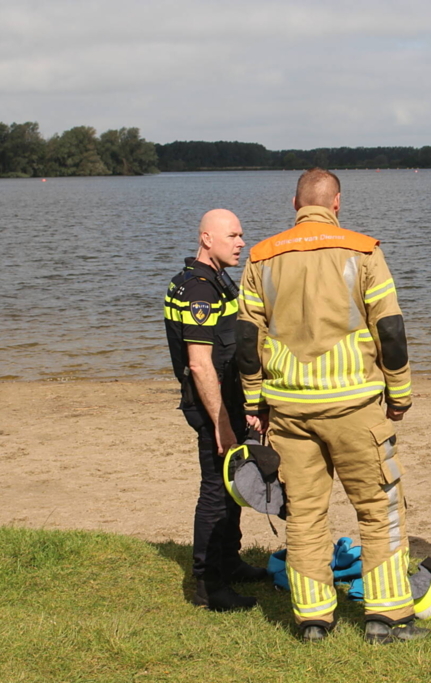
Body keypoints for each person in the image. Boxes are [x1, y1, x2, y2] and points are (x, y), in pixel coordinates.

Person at [237, 168, 428, 644]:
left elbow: (246, 339)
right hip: (354, 406)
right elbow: (391, 330)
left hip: (289, 408)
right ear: (337, 203)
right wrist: (399, 393)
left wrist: (254, 398)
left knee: (304, 514)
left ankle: (313, 621)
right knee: (378, 506)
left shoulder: (262, 257)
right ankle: (388, 618)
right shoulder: (363, 250)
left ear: (294, 203)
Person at [163, 209, 266, 612]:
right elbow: (200, 363)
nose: (241, 242)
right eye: (233, 236)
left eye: (242, 234)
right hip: (213, 408)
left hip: (230, 402)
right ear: (207, 239)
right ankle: (209, 586)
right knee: (215, 495)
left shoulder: (215, 281)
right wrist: (222, 423)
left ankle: (229, 562)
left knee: (231, 485)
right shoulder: (199, 290)